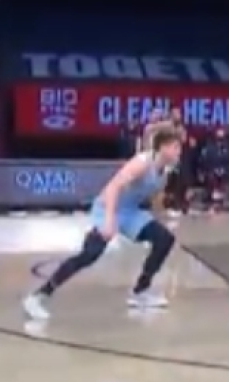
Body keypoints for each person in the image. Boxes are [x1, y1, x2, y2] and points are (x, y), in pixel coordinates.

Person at [22, 126, 185, 321]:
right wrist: (109, 220)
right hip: (108, 207)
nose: (179, 152)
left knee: (164, 239)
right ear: (163, 147)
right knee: (89, 254)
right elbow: (113, 188)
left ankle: (140, 291)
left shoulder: (165, 172)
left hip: (130, 211)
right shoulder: (142, 163)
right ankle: (37, 297)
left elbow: (149, 197)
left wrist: (156, 220)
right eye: (176, 147)